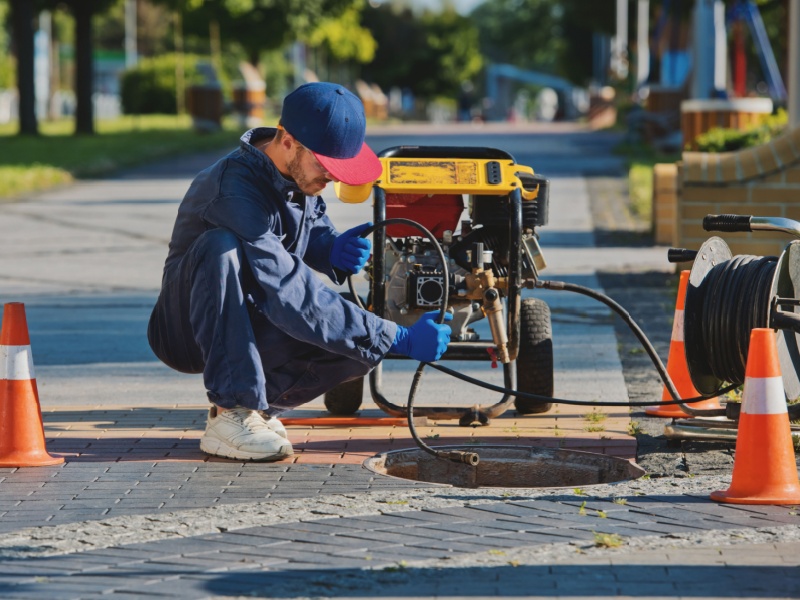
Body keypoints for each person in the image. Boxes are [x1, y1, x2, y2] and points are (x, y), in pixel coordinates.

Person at [147, 82, 452, 462]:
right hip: (186, 331)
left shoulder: (294, 175)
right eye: (326, 167)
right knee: (221, 246)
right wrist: (397, 336)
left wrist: (330, 249)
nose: (333, 179)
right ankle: (232, 411)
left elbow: (303, 232)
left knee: (355, 345)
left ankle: (257, 409)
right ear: (288, 140)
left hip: (249, 317)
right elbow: (290, 291)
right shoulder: (230, 191)